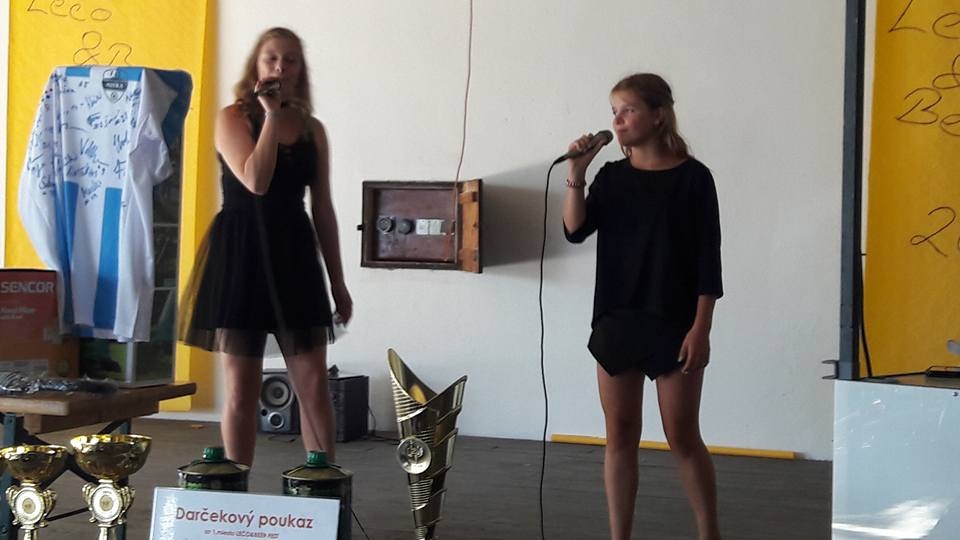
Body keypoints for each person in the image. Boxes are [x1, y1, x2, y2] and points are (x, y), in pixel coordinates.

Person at [179, 27, 352, 466]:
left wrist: (339, 283)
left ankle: (322, 485)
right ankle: (236, 484)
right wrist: (271, 117)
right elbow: (256, 181)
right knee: (242, 387)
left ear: (300, 69)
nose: (280, 67)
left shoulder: (313, 130)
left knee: (312, 384)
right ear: (256, 65)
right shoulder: (232, 118)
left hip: (294, 254)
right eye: (272, 58)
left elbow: (324, 208)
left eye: (291, 59)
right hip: (242, 255)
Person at [563, 73, 723, 540]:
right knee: (620, 435)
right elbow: (575, 230)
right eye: (614, 111)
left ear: (658, 115)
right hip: (617, 319)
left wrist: (701, 328)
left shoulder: (694, 178)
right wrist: (578, 172)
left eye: (628, 110)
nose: (618, 120)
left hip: (675, 322)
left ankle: (709, 533)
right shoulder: (613, 177)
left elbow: (708, 260)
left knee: (682, 436)